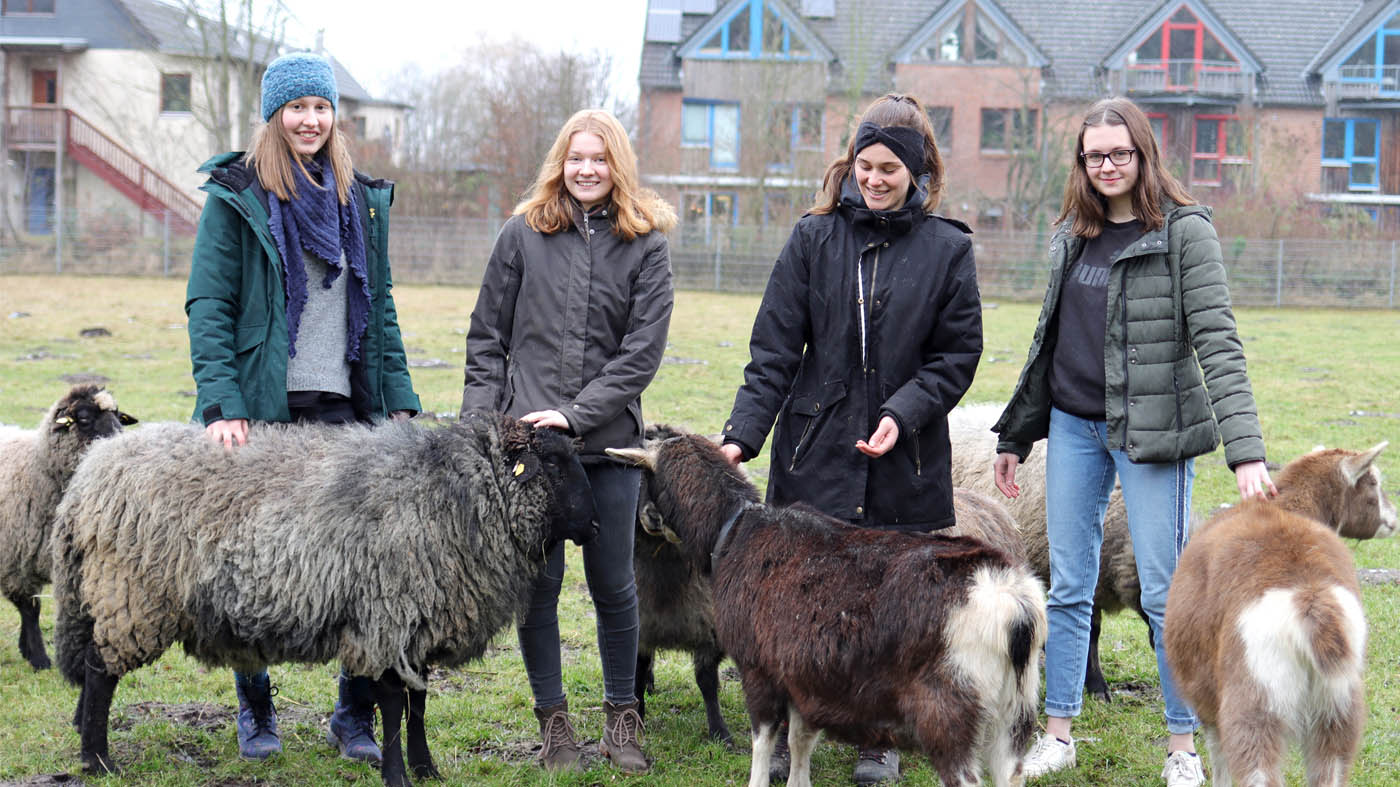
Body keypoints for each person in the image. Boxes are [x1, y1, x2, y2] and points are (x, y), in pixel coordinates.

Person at [991, 96, 1276, 787]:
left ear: (1144, 154)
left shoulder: (1185, 233)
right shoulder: (1073, 233)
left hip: (1152, 435)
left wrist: (1246, 451)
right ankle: (1057, 731)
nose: (1108, 165)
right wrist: (1016, 435)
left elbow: (1219, 342)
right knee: (1066, 586)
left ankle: (1182, 745)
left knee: (1163, 591)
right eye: (1095, 155)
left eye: (1120, 153)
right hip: (1073, 428)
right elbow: (1048, 345)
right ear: (1082, 162)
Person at [719, 93, 983, 786]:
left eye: (888, 167)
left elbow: (956, 357)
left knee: (892, 610)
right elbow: (773, 350)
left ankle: (878, 738)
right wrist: (741, 436)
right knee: (798, 605)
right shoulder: (813, 239)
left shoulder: (948, 249)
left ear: (919, 170)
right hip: (816, 455)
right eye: (863, 164)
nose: (872, 178)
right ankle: (779, 732)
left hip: (907, 460)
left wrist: (904, 410)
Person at [185, 51, 420, 764]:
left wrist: (401, 400)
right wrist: (223, 402)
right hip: (263, 408)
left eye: (321, 107)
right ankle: (255, 707)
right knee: (249, 567)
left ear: (332, 116)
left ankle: (352, 715)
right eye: (297, 108)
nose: (311, 120)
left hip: (345, 411)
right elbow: (208, 306)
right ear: (274, 116)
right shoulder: (238, 197)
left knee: (360, 567)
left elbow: (377, 311)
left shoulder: (360, 200)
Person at [459, 108, 675, 774]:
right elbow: (487, 337)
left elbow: (641, 353)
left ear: (618, 167)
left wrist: (577, 415)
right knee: (539, 586)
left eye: (600, 158)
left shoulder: (647, 245)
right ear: (561, 162)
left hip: (607, 444)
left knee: (614, 585)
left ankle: (621, 718)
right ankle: (554, 724)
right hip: (530, 451)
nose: (587, 169)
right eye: (577, 157)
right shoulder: (522, 235)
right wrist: (484, 427)